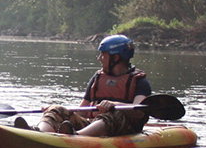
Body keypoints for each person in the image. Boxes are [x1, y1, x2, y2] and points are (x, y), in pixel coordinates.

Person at [19, 34, 152, 136]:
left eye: (103, 55)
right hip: (93, 125)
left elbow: (139, 111)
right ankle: (39, 133)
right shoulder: (98, 77)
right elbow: (81, 110)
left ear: (115, 58)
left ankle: (76, 137)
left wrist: (114, 105)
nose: (99, 59)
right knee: (57, 109)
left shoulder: (140, 81)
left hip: (122, 129)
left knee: (114, 113)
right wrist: (56, 110)